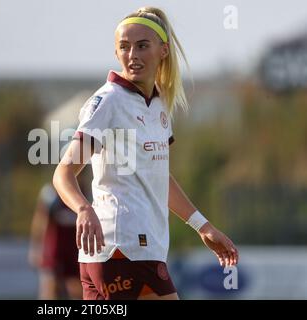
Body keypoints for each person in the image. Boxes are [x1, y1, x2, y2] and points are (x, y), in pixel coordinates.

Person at [52, 6, 239, 300]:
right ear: (116, 53)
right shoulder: (108, 101)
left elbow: (159, 177)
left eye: (142, 46)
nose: (132, 55)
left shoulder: (159, 104)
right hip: (121, 248)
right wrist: (83, 209)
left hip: (142, 251)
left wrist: (203, 226)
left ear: (163, 50)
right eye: (124, 47)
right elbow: (63, 173)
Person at [28, 171, 92, 299]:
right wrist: (36, 247)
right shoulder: (51, 192)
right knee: (50, 288)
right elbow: (41, 220)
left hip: (76, 251)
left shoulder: (88, 192)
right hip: (54, 250)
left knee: (78, 290)